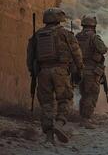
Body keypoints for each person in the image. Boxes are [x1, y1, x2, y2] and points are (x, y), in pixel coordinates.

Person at [27, 8, 84, 144]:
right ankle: (59, 123)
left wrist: (33, 72)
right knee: (65, 99)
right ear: (59, 19)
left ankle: (49, 137)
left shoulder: (37, 35)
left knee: (46, 104)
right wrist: (79, 69)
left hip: (43, 72)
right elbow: (77, 53)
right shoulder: (65, 33)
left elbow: (30, 57)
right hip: (61, 71)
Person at [76, 15, 108, 129]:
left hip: (79, 70)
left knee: (84, 94)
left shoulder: (77, 36)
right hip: (91, 70)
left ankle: (81, 118)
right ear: (93, 25)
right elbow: (103, 49)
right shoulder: (94, 37)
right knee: (91, 95)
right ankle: (86, 119)